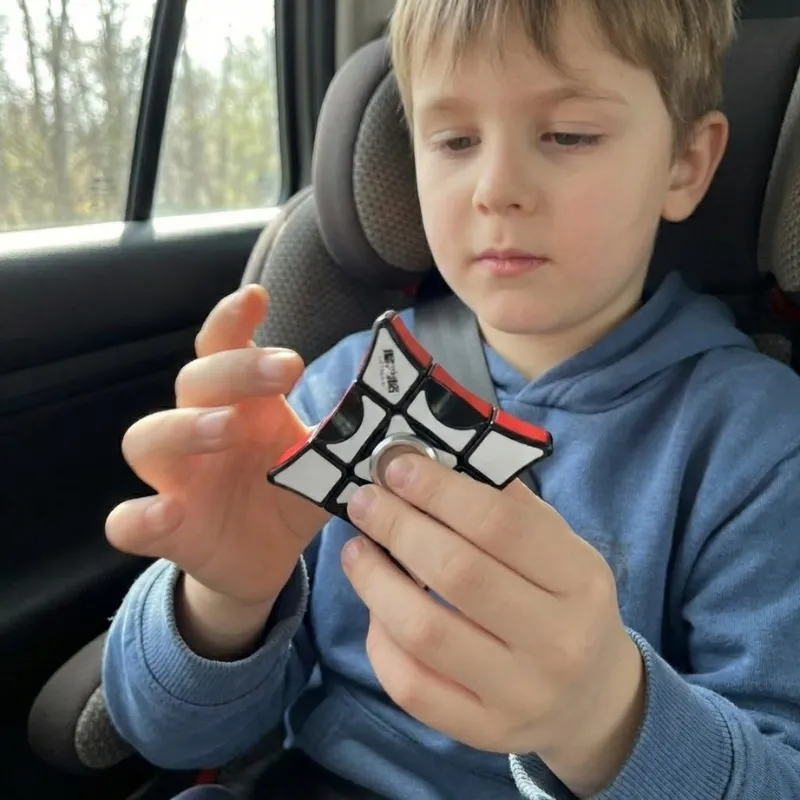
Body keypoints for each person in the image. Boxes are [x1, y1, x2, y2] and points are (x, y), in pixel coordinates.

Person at [101, 1, 800, 798]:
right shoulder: (336, 389)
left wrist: (604, 719)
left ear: (685, 163)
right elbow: (176, 737)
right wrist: (225, 600)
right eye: (456, 141)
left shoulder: (757, 441)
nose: (496, 189)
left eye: (569, 134)